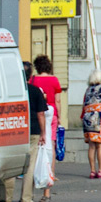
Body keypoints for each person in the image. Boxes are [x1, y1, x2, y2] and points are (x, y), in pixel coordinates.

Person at [16, 60, 50, 202]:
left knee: (13, 160)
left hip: (16, 129)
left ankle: (4, 196)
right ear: (30, 76)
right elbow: (40, 114)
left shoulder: (14, 91)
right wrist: (43, 133)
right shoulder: (36, 91)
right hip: (33, 130)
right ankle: (26, 197)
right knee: (30, 165)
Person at [29, 54, 64, 184]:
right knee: (51, 144)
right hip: (51, 113)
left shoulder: (32, 80)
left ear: (37, 67)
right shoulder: (54, 80)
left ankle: (36, 170)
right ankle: (51, 173)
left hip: (37, 113)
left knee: (37, 145)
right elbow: (58, 100)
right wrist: (59, 116)